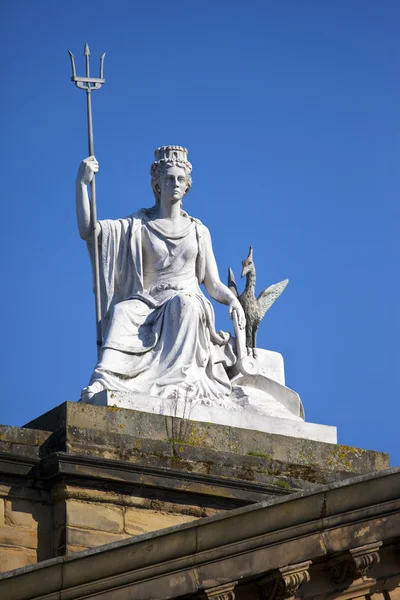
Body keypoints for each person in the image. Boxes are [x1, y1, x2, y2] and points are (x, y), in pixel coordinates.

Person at [77, 146, 245, 405]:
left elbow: (212, 284)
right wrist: (82, 184)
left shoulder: (199, 231)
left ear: (188, 185)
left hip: (187, 299)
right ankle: (105, 379)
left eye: (180, 179)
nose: (175, 184)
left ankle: (180, 381)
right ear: (157, 184)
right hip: (148, 301)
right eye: (169, 178)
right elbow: (89, 231)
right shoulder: (137, 226)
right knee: (122, 311)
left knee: (185, 304)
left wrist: (233, 301)